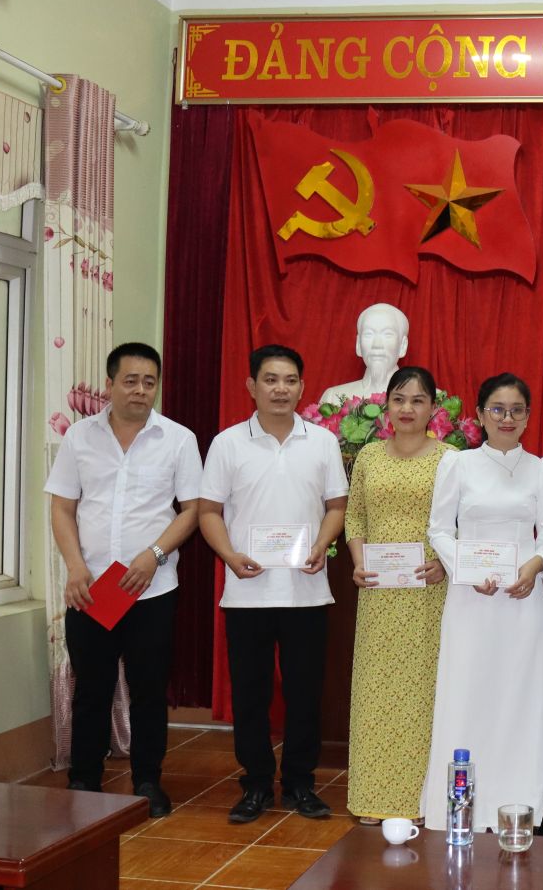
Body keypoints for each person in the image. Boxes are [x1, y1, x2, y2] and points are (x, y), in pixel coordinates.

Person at [45, 342, 202, 817]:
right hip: (91, 587)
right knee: (91, 688)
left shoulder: (178, 439)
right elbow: (62, 507)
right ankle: (84, 779)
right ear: (110, 384)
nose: (140, 390)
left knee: (148, 690)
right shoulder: (80, 437)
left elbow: (192, 510)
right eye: (130, 380)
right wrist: (75, 566)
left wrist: (155, 555)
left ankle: (147, 782)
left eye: (149, 382)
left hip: (151, 588)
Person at [198, 345, 348, 824]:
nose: (280, 389)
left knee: (305, 694)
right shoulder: (227, 443)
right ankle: (257, 784)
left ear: (302, 387)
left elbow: (337, 507)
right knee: (251, 695)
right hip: (247, 593)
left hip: (307, 592)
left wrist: (321, 544)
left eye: (289, 380)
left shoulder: (322, 442)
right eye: (270, 379)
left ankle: (301, 783)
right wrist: (229, 555)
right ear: (252, 386)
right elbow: (208, 512)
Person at [423, 373, 543, 829]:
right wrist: (466, 568)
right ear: (479, 414)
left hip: (523, 600)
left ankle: (517, 804)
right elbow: (440, 529)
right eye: (497, 409)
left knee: (520, 698)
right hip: (471, 600)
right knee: (467, 693)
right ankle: (459, 805)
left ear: (528, 416)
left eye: (517, 410)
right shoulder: (457, 464)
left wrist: (534, 567)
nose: (507, 418)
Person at [345, 366, 452, 825]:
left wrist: (445, 563)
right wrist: (358, 561)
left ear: (433, 408)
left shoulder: (450, 459)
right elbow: (355, 517)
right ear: (385, 404)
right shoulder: (369, 456)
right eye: (399, 399)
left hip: (428, 592)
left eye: (418, 400)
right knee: (375, 692)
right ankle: (374, 796)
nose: (407, 408)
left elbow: (460, 522)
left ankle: (418, 799)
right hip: (379, 593)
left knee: (423, 695)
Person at [319, 303, 409, 406]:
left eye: (388, 334)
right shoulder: (332, 398)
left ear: (403, 345)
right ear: (358, 344)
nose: (377, 345)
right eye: (368, 334)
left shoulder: (421, 398)